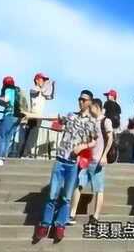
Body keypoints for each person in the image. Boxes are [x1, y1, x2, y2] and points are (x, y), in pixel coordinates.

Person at [33, 90, 98, 243]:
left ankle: (60, 226)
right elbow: (57, 118)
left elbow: (94, 141)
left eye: (84, 100)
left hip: (73, 163)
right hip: (60, 160)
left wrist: (82, 147)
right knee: (51, 195)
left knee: (66, 197)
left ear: (89, 102)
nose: (80, 102)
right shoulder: (71, 115)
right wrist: (34, 116)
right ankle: (45, 224)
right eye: (79, 99)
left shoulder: (92, 122)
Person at [68, 98, 114, 225]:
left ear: (97, 107)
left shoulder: (106, 121)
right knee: (79, 185)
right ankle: (72, 213)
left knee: (98, 189)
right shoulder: (90, 121)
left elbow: (110, 139)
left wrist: (104, 156)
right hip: (86, 159)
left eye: (91, 107)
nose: (89, 109)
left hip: (98, 160)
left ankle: (96, 216)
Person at [19, 73, 54, 158]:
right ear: (37, 80)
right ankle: (23, 154)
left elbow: (51, 96)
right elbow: (34, 92)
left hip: (39, 117)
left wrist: (52, 86)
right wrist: (43, 88)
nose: (44, 82)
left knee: (34, 136)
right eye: (43, 79)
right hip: (32, 116)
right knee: (27, 135)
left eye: (45, 80)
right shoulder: (34, 89)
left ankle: (28, 153)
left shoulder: (43, 93)